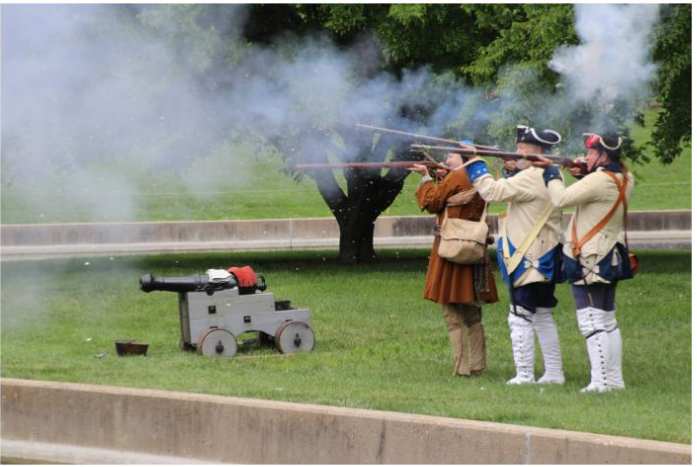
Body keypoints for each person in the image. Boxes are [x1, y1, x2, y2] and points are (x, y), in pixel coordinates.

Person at [462, 125, 566, 385]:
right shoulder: (548, 174)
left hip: (528, 257)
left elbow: (491, 192)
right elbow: (519, 189)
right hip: (544, 254)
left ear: (537, 150)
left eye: (522, 148)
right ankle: (553, 373)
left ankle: (525, 374)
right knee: (542, 316)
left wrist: (474, 161)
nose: (517, 151)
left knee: (519, 317)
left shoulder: (532, 175)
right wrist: (510, 169)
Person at [533, 132, 634, 393]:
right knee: (607, 321)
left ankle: (600, 383)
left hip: (589, 257)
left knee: (591, 322)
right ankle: (614, 380)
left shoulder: (600, 180)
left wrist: (552, 172)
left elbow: (561, 199)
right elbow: (595, 192)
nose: (587, 156)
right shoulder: (623, 177)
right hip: (607, 254)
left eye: (591, 153)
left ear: (603, 155)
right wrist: (582, 171)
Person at [409, 149, 499, 377]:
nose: (447, 160)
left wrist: (426, 178)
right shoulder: (480, 176)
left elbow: (434, 202)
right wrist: (441, 176)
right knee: (472, 314)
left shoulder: (457, 176)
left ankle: (462, 368)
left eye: (452, 156)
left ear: (464, 159)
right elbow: (455, 200)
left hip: (452, 248)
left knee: (452, 314)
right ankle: (477, 364)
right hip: (473, 247)